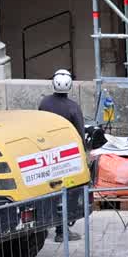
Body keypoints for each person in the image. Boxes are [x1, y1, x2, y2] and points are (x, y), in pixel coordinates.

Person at [39, 69, 84, 242]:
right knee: (66, 192)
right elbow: (80, 134)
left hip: (47, 152)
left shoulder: (44, 103)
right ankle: (61, 231)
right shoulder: (73, 107)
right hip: (65, 157)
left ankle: (51, 226)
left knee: (50, 190)